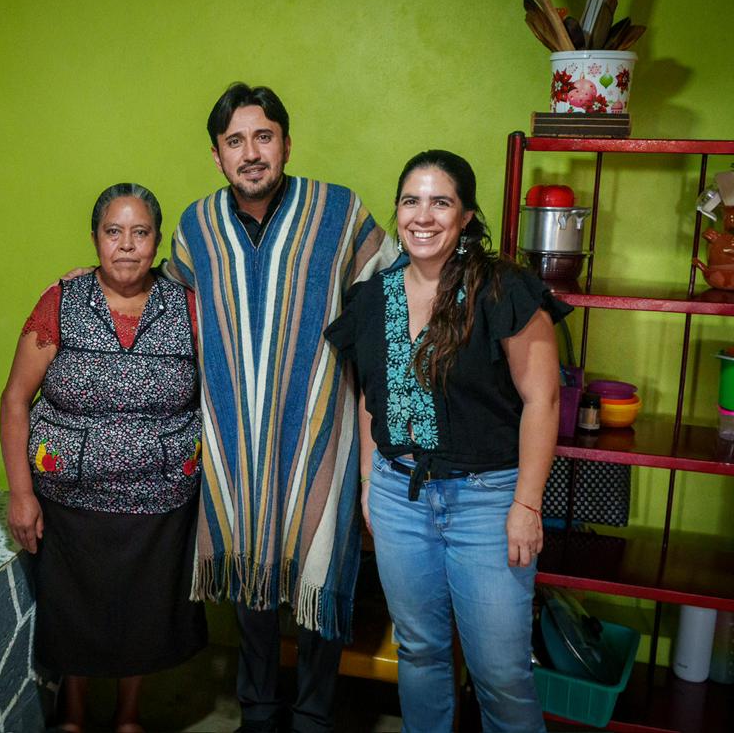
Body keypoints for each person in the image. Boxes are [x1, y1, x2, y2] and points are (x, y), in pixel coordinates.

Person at [168, 83, 398, 732]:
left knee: (319, 565)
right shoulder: (196, 226)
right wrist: (92, 286)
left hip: (321, 423)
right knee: (245, 564)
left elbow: (390, 294)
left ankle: (314, 712)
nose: (251, 152)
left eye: (263, 136)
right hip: (233, 428)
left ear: (286, 143)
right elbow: (175, 310)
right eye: (235, 141)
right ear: (217, 155)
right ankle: (259, 707)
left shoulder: (339, 211)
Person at [325, 150, 567, 732]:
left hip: (488, 501)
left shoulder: (503, 289)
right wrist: (366, 485)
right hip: (398, 494)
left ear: (465, 216)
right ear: (398, 211)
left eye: (441, 202)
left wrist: (527, 506)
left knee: (501, 671)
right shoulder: (374, 296)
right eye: (411, 200)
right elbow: (368, 396)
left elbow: (544, 400)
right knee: (420, 650)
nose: (423, 215)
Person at [0, 183, 206, 733]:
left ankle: (129, 715)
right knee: (75, 613)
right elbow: (15, 399)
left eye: (141, 233)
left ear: (157, 241)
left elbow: (221, 393)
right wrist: (21, 494)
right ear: (95, 239)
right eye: (114, 232)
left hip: (160, 501)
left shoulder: (187, 306)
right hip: (70, 501)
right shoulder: (61, 302)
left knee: (143, 612)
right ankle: (71, 711)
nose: (127, 246)